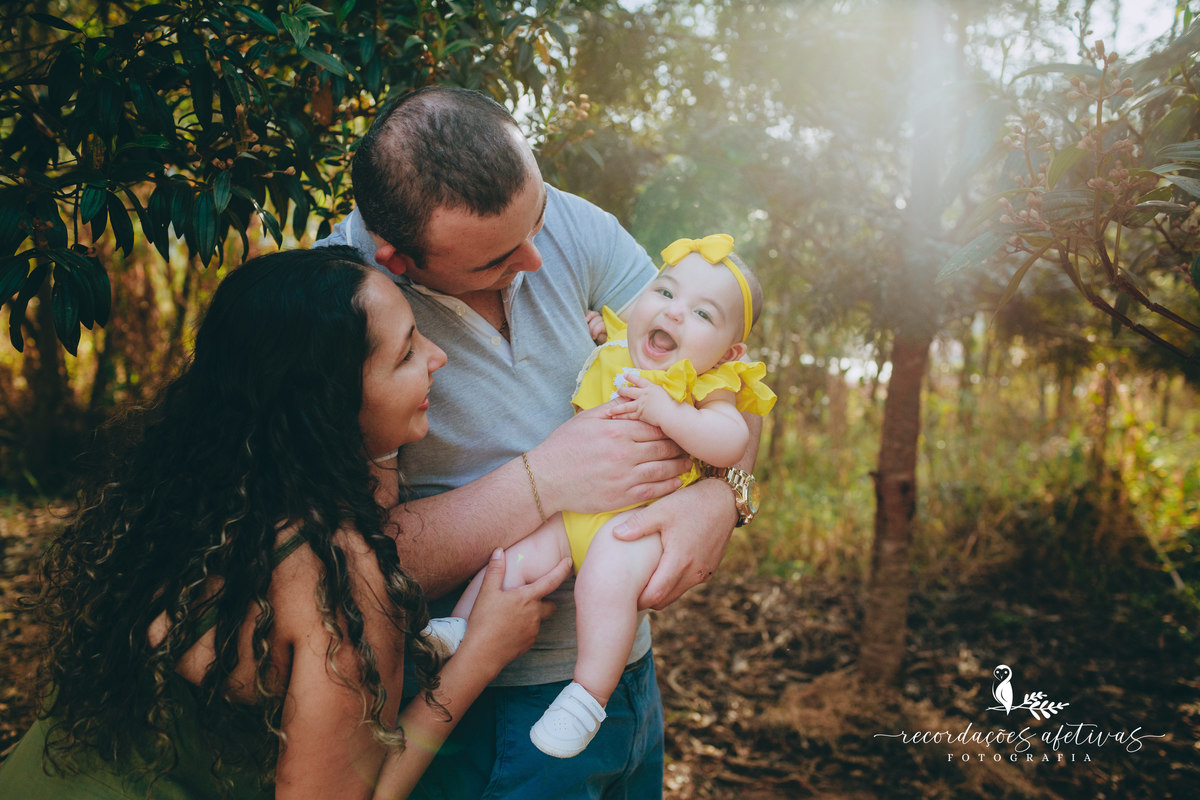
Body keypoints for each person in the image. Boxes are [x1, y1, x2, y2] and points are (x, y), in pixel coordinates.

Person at [319, 86, 765, 796]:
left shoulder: (565, 224)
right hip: (482, 706)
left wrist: (724, 498)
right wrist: (545, 480)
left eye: (539, 218)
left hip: (629, 677)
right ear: (397, 261)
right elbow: (339, 562)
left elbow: (724, 370)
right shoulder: (328, 309)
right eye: (497, 258)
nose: (536, 258)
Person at [0, 247, 570, 800]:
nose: (436, 356)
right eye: (406, 353)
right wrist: (478, 657)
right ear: (330, 406)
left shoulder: (186, 498)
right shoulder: (333, 574)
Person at [430, 234, 776, 758]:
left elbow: (732, 441)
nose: (676, 314)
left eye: (703, 315)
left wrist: (671, 414)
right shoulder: (618, 346)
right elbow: (613, 338)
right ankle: (459, 626)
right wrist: (600, 332)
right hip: (575, 507)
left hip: (638, 520)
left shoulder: (708, 385)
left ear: (729, 353)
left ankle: (588, 697)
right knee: (515, 556)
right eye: (665, 294)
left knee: (603, 583)